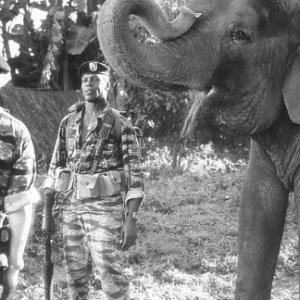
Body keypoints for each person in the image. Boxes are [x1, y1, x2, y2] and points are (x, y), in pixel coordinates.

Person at [43, 61, 144, 300]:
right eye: (86, 80)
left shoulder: (121, 124)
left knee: (109, 273)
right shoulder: (68, 122)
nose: (90, 84)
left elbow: (135, 176)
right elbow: (55, 165)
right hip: (71, 207)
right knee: (74, 274)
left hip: (105, 209)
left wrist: (131, 219)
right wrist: (47, 213)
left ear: (107, 85)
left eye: (96, 79)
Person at [0, 55, 38, 299]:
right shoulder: (16, 132)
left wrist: (14, 263)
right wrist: (14, 264)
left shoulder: (15, 133)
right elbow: (19, 203)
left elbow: (18, 202)